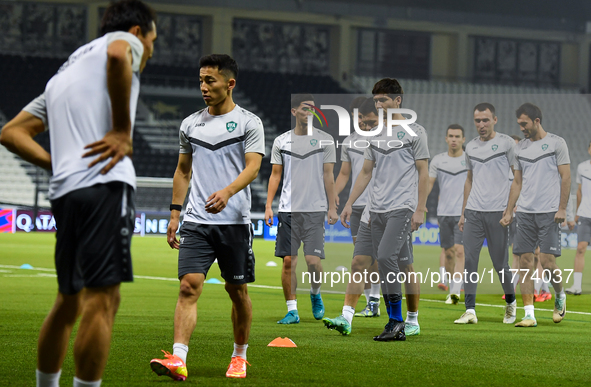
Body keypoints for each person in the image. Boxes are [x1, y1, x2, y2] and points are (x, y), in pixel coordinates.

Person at [0, 2, 157, 386]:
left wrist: (57, 163)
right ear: (139, 31)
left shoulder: (64, 72)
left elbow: (11, 132)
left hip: (66, 191)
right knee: (103, 300)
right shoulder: (124, 41)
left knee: (67, 299)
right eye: (154, 40)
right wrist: (122, 131)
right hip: (104, 183)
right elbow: (120, 55)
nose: (151, 50)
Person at [150, 54, 265, 380]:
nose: (203, 87)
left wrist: (227, 192)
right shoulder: (190, 123)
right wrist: (174, 213)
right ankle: (178, 358)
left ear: (229, 83)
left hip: (234, 222)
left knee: (237, 291)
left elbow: (253, 166)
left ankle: (239, 357)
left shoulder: (248, 123)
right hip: (197, 221)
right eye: (201, 80)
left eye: (210, 81)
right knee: (189, 286)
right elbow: (183, 171)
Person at [339, 78, 429, 341]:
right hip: (374, 209)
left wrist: (420, 209)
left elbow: (423, 172)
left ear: (397, 101)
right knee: (393, 263)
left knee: (387, 257)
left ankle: (397, 321)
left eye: (383, 100)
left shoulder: (415, 132)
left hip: (401, 208)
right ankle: (402, 320)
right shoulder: (374, 134)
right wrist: (348, 202)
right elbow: (366, 172)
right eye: (376, 100)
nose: (378, 105)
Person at [264, 94, 338, 324]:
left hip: (315, 210)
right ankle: (292, 310)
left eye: (313, 109)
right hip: (288, 210)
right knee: (289, 262)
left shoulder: (325, 140)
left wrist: (333, 206)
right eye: (305, 109)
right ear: (294, 112)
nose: (310, 112)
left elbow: (329, 175)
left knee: (313, 262)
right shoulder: (281, 141)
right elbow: (275, 175)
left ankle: (315, 294)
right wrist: (268, 205)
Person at [501, 103, 570, 327]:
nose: (521, 128)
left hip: (550, 213)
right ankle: (529, 314)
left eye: (525, 123)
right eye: (519, 124)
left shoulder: (557, 143)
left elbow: (566, 177)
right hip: (525, 213)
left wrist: (562, 208)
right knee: (524, 263)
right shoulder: (519, 148)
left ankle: (560, 295)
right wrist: (510, 210)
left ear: (536, 121)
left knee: (548, 263)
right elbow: (517, 182)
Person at [455, 103, 517, 325]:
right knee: (470, 261)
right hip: (473, 212)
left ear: (495, 120)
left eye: (485, 120)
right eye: (477, 121)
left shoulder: (507, 144)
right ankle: (469, 310)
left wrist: (510, 209)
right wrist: (463, 212)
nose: (481, 125)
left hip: (498, 214)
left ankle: (511, 303)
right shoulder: (470, 147)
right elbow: (469, 180)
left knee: (500, 263)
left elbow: (518, 179)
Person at [334, 97, 381, 317]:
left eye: (363, 116)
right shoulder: (348, 142)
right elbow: (344, 173)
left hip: (378, 205)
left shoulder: (382, 140)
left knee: (375, 258)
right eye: (357, 116)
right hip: (357, 207)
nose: (360, 120)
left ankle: (374, 301)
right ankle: (370, 302)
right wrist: (336, 198)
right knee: (361, 257)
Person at [428, 124, 467, 304]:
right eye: (451, 136)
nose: (454, 139)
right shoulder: (438, 160)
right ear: (446, 139)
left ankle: (455, 292)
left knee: (459, 250)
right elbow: (429, 184)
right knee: (448, 253)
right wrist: (420, 205)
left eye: (457, 136)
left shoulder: (469, 160)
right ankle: (453, 286)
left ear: (463, 139)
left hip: (463, 214)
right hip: (444, 213)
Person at [566, 141, 591, 295]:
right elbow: (580, 190)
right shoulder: (582, 167)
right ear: (589, 149)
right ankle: (576, 286)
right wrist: (576, 213)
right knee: (580, 248)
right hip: (585, 214)